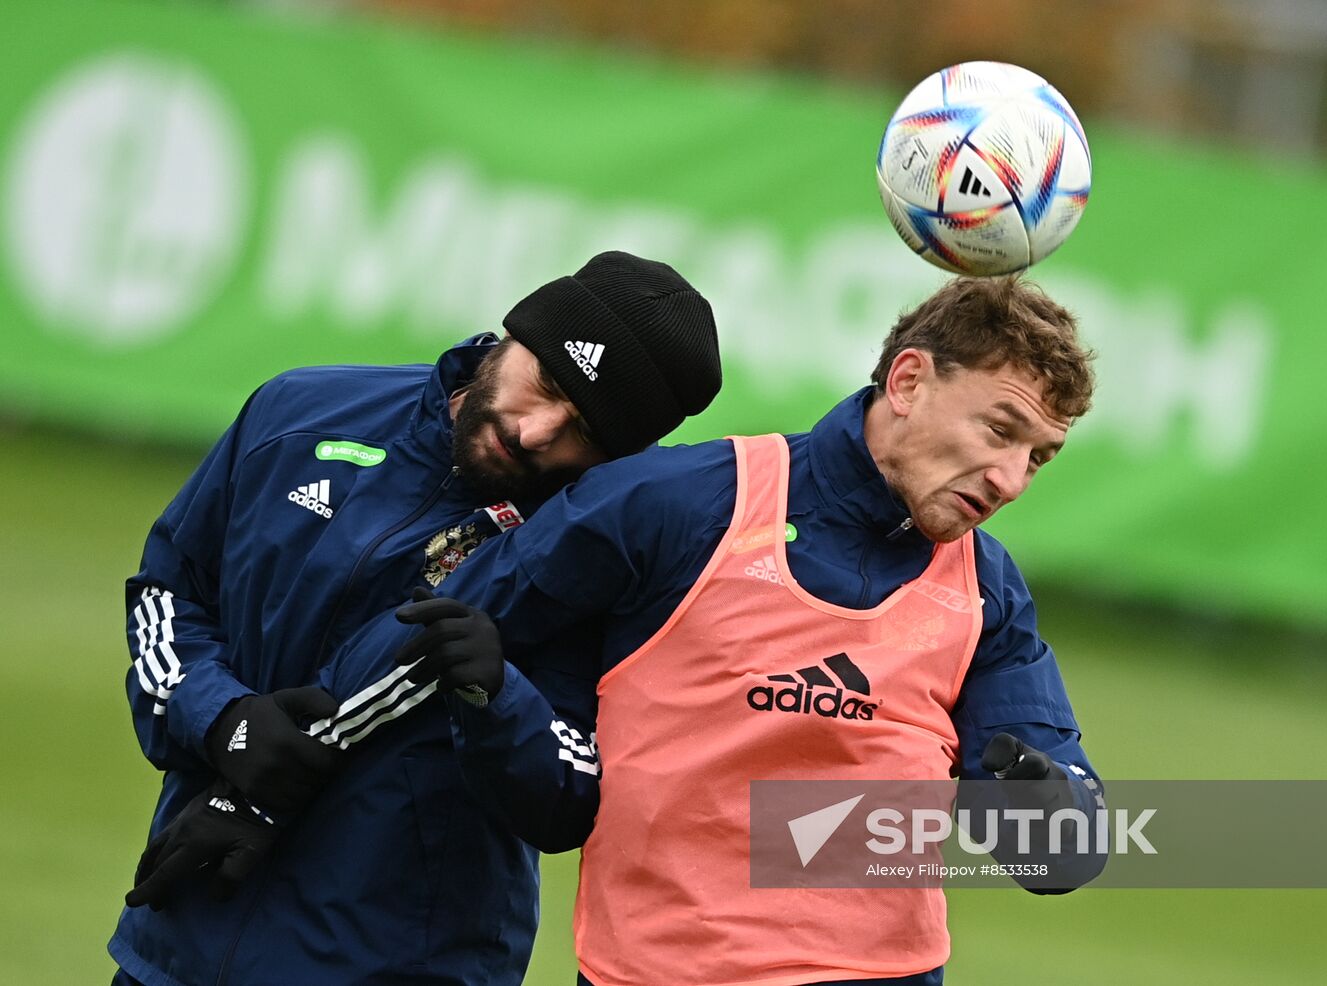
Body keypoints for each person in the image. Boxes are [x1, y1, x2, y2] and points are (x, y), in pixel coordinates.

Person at [136, 274, 1104, 984]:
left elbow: (1064, 821)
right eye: (997, 430)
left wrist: (1051, 813)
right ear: (905, 381)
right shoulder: (670, 503)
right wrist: (250, 777)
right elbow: (441, 640)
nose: (1010, 480)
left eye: (1042, 458)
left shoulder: (987, 592)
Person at [109, 251, 723, 986]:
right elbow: (166, 593)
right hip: (181, 936)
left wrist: (498, 699)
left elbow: (573, 793)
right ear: (516, 333)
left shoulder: (596, 548)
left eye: (582, 430)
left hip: (401, 967)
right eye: (547, 385)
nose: (536, 432)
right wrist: (220, 718)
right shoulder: (299, 412)